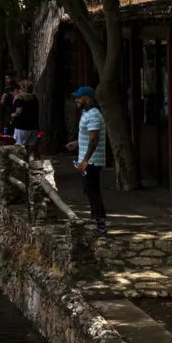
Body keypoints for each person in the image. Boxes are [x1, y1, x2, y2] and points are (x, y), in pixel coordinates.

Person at [66, 86, 107, 235]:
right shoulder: (86, 113)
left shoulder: (94, 115)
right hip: (86, 159)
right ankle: (95, 220)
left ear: (88, 99)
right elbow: (88, 135)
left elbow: (94, 140)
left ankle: (100, 224)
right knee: (88, 191)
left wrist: (85, 160)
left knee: (93, 191)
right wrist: (76, 143)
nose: (76, 100)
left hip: (92, 161)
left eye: (79, 97)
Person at [11, 79, 41, 153]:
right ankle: (31, 162)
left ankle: (21, 163)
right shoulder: (34, 97)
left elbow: (19, 111)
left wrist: (13, 115)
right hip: (33, 127)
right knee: (31, 148)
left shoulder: (20, 98)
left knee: (19, 148)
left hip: (22, 128)